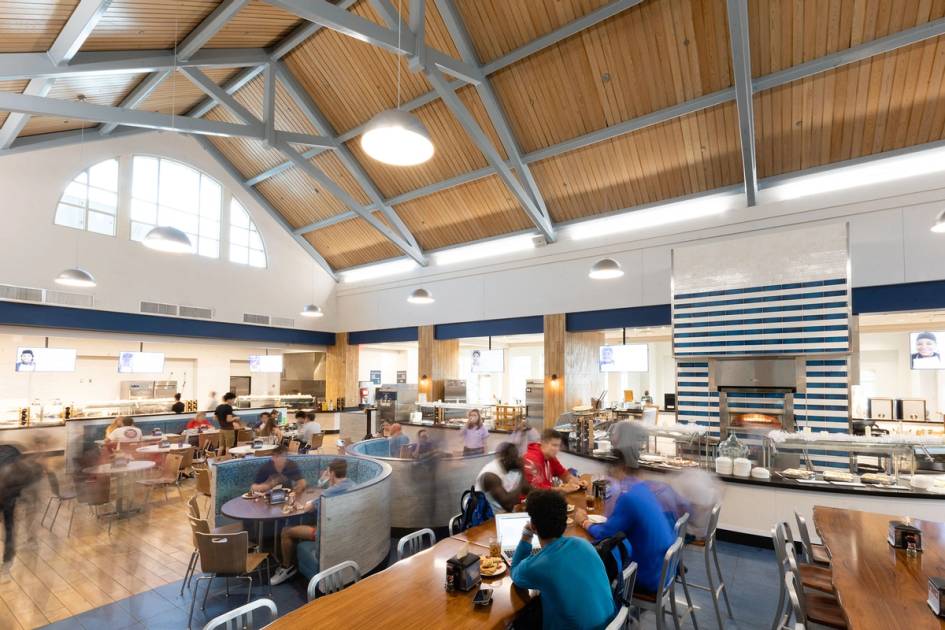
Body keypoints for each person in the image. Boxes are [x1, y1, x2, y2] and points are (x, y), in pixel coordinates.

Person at [510, 490, 615, 630]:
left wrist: (526, 535)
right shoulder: (584, 544)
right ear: (565, 522)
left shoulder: (539, 565)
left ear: (534, 526)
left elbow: (515, 572)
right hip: (611, 623)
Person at [574, 449, 675, 594]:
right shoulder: (642, 488)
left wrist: (584, 522)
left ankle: (607, 613)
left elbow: (606, 534)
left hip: (648, 576)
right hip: (664, 568)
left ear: (618, 470)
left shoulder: (628, 497)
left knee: (591, 568)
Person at [269, 458, 356, 585]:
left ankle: (286, 568)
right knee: (309, 523)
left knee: (285, 531)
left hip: (327, 535)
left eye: (327, 472)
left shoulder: (328, 493)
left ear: (331, 473)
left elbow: (308, 508)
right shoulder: (353, 485)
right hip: (344, 530)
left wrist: (324, 482)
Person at [474, 442, 529, 513]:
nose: (517, 460)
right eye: (514, 457)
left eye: (517, 456)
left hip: (504, 514)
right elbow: (508, 505)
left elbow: (527, 490)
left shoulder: (511, 468)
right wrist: (522, 471)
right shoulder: (490, 475)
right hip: (488, 519)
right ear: (504, 458)